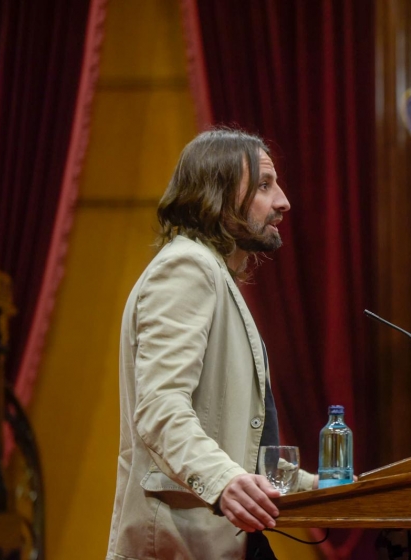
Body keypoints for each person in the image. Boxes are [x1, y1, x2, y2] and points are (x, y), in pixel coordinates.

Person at [106, 128, 315, 560]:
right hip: (181, 543)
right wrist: (223, 482)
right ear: (217, 196)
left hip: (218, 540)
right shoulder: (188, 267)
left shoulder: (212, 272)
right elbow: (161, 408)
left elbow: (239, 445)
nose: (283, 202)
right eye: (264, 185)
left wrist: (335, 488)